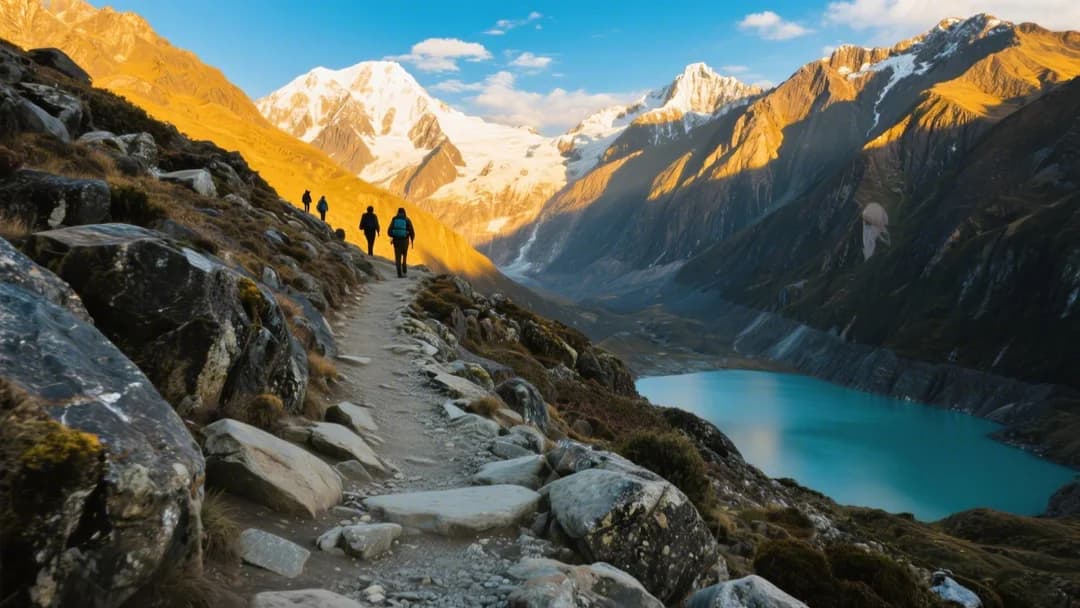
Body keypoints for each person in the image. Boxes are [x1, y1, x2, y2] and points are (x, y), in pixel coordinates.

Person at [387, 207, 415, 278]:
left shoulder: (394, 219)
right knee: (404, 255)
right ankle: (404, 266)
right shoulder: (407, 220)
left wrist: (394, 234)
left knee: (397, 257)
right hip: (405, 241)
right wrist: (412, 239)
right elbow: (412, 231)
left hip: (396, 241)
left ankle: (399, 274)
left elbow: (389, 232)